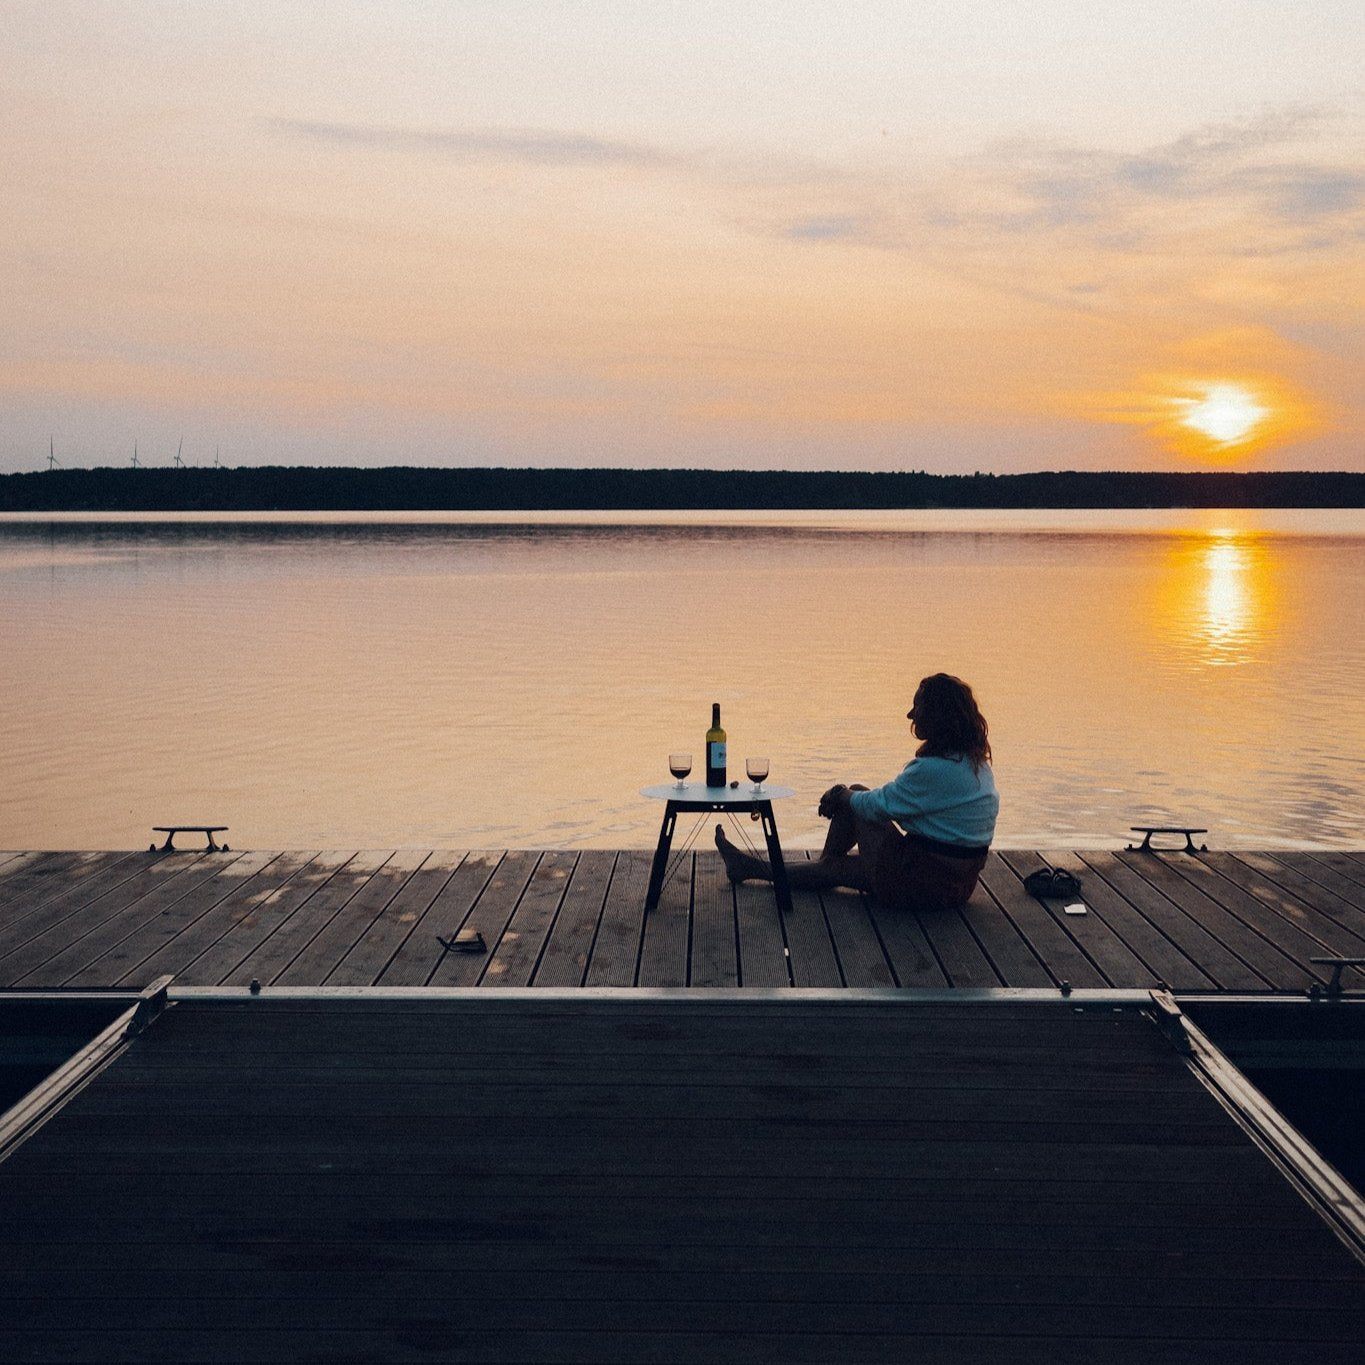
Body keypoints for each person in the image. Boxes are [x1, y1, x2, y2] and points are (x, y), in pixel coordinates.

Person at [715, 673, 998, 912]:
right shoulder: (974, 765)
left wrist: (840, 795)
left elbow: (876, 807)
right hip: (956, 884)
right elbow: (893, 807)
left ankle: (811, 868)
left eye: (917, 706)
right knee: (854, 806)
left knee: (855, 799)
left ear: (937, 715)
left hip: (924, 883)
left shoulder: (935, 770)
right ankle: (784, 868)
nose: (910, 715)